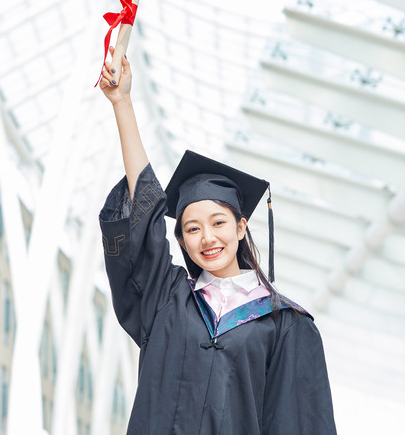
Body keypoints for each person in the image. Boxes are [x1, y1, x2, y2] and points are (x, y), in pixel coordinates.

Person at [98, 47, 337, 434]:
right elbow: (144, 212)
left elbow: (301, 421)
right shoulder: (167, 299)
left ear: (241, 227)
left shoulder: (285, 325)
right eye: (192, 228)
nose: (207, 237)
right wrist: (122, 103)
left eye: (218, 223)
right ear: (181, 240)